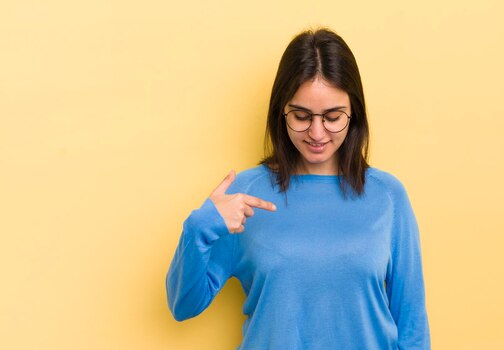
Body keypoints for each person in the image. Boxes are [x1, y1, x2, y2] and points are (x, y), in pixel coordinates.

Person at [166, 28, 430, 349]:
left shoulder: (388, 197)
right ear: (282, 112)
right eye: (302, 116)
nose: (317, 133)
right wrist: (199, 227)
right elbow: (184, 305)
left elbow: (412, 325)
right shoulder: (245, 196)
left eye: (333, 117)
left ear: (354, 112)